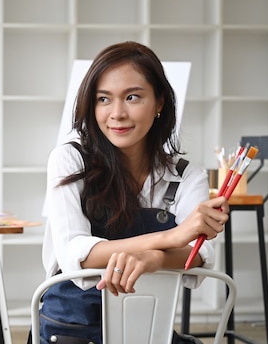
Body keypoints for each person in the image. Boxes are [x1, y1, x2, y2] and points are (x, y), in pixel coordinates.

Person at [31, 41, 230, 344]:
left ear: (159, 103)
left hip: (146, 331)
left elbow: (199, 255)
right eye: (103, 99)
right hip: (71, 332)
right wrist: (170, 239)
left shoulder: (187, 175)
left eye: (133, 97)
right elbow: (77, 255)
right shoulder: (69, 160)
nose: (117, 113)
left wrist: (155, 259)